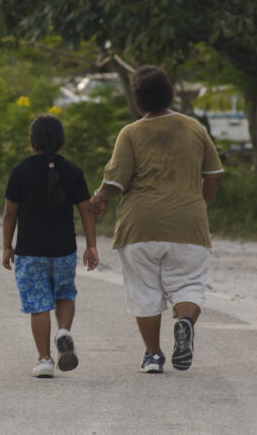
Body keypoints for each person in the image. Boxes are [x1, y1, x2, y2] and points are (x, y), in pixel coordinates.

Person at [90, 66, 223, 374]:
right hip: (189, 223)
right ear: (170, 93)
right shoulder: (194, 128)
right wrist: (198, 205)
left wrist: (98, 197)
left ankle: (152, 356)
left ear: (137, 101)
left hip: (139, 226)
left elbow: (115, 183)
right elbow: (213, 175)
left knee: (144, 290)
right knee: (189, 285)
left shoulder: (131, 133)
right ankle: (185, 322)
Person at [2, 114, 99, 378]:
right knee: (64, 294)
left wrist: (6, 246)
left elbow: (10, 214)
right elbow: (87, 211)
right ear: (61, 142)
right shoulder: (73, 172)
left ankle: (44, 359)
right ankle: (64, 330)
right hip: (64, 249)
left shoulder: (20, 172)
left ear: (30, 141)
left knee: (39, 304)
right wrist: (92, 246)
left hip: (30, 250)